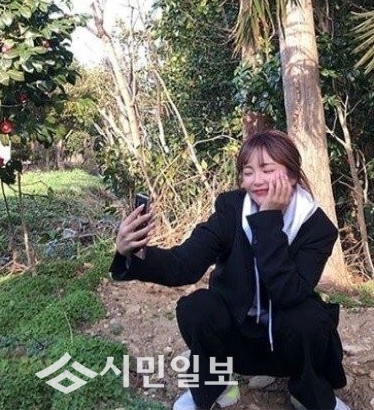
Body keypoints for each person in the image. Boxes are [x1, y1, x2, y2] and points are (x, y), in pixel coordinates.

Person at [110, 130, 349, 410]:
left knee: (310, 318)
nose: (256, 180)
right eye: (248, 172)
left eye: (267, 170)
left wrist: (268, 219)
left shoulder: (317, 228)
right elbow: (184, 265)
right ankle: (217, 386)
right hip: (237, 337)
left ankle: (307, 394)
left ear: (293, 176)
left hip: (285, 341)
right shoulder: (231, 211)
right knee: (197, 308)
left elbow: (288, 293)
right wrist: (131, 252)